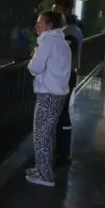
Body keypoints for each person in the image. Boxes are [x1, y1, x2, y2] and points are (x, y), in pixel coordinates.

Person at [26, 11, 71, 187]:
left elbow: (35, 67)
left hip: (48, 94)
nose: (37, 26)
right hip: (58, 94)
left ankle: (45, 177)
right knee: (48, 134)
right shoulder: (61, 42)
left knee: (41, 135)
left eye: (40, 23)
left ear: (50, 26)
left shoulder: (47, 42)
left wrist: (32, 60)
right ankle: (42, 168)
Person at [52, 0, 84, 167]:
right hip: (64, 75)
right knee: (60, 113)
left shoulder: (70, 30)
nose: (54, 11)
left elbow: (64, 54)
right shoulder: (68, 28)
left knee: (62, 113)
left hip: (65, 76)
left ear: (66, 10)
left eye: (56, 8)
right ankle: (60, 151)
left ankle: (63, 153)